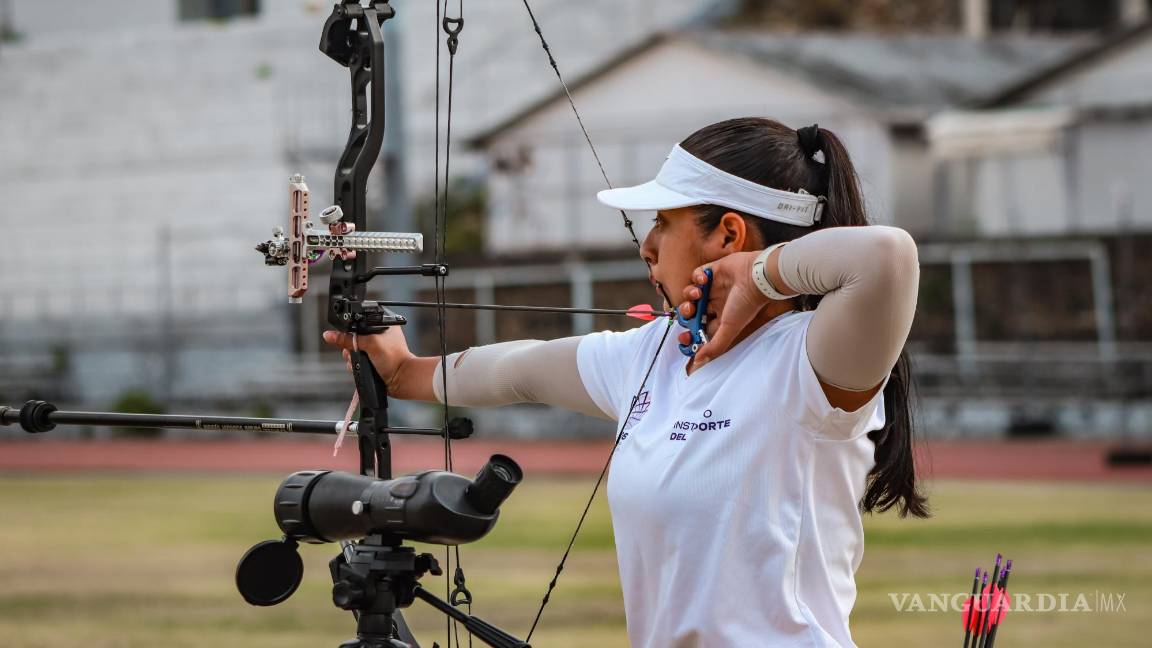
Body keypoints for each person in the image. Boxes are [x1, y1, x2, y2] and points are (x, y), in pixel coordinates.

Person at [323, 117, 930, 647]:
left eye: (664, 222)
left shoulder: (811, 359)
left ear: (728, 235)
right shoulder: (656, 355)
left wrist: (759, 275)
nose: (647, 246)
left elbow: (889, 257)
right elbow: (517, 372)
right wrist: (404, 370)